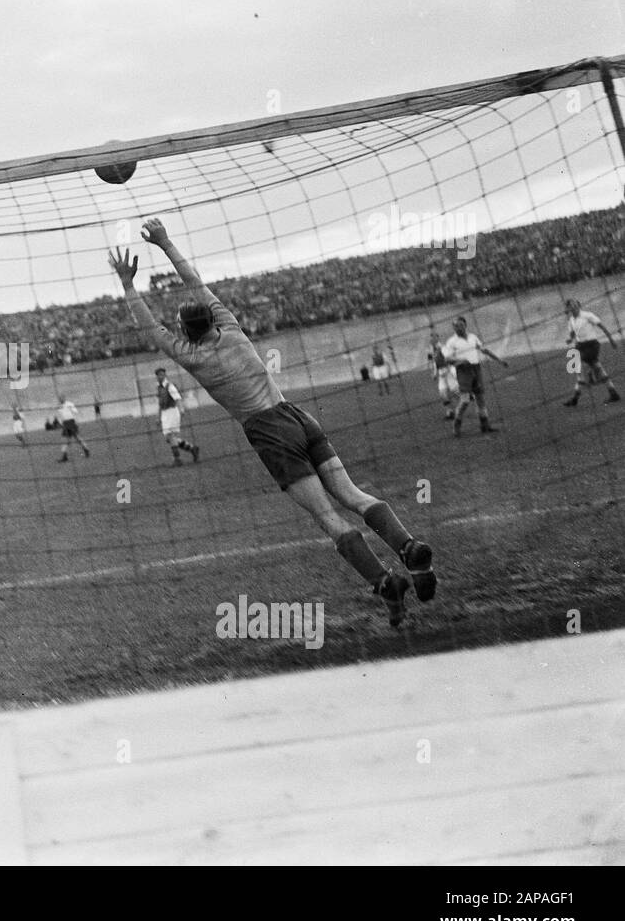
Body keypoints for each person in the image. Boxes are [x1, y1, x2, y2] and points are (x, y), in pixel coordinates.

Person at [109, 217, 435, 627]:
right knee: (351, 495)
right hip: (296, 415)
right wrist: (165, 243)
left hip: (268, 432)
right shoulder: (231, 329)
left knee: (328, 518)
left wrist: (126, 283)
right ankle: (408, 547)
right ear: (211, 320)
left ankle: (387, 584)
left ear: (185, 332)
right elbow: (196, 284)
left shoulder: (192, 357)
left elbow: (149, 328)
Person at [442, 316, 507, 437]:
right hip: (463, 372)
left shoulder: (473, 337)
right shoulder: (451, 342)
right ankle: (456, 426)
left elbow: (485, 350)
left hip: (476, 369)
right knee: (465, 400)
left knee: (480, 399)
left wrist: (499, 360)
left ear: (465, 325)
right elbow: (447, 359)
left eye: (460, 325)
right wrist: (461, 360)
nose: (458, 328)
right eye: (455, 326)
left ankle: (485, 426)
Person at [562, 299, 621, 407]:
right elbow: (572, 334)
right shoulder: (571, 321)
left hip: (592, 345)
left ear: (579, 306)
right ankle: (613, 393)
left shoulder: (587, 315)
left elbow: (602, 326)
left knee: (578, 362)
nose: (574, 307)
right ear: (569, 308)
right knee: (598, 368)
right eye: (571, 306)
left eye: (576, 305)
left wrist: (611, 340)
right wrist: (570, 340)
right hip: (580, 346)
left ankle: (586, 378)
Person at [154, 367, 200, 465]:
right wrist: (158, 417)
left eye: (162, 374)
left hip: (172, 411)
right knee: (168, 439)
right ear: (156, 377)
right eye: (158, 375)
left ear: (165, 375)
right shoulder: (158, 387)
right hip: (165, 414)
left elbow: (178, 398)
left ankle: (177, 459)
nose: (160, 376)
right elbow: (159, 403)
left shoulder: (170, 386)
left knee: (171, 436)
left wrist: (181, 409)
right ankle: (192, 448)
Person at [428, 332, 458, 420]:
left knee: (455, 391)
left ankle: (467, 397)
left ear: (438, 338)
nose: (432, 339)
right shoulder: (430, 349)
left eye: (434, 337)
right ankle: (450, 412)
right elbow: (432, 362)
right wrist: (434, 372)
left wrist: (450, 369)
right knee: (443, 394)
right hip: (441, 375)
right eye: (431, 337)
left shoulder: (443, 347)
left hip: (448, 372)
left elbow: (448, 359)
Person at [56, 397, 91, 462]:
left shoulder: (69, 404)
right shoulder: (59, 407)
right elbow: (60, 416)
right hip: (65, 424)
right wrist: (61, 424)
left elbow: (75, 411)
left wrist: (78, 417)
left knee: (77, 438)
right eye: (60, 399)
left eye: (61, 398)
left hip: (71, 423)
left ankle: (86, 450)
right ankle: (64, 457)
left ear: (64, 398)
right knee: (65, 440)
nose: (61, 400)